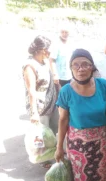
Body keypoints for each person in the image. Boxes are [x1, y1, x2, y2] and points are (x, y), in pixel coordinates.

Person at [54, 49, 106, 181]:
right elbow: (63, 120)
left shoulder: (103, 85)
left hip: (103, 144)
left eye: (85, 64)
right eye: (75, 65)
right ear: (70, 68)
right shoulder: (66, 91)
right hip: (78, 147)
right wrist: (59, 147)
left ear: (92, 67)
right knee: (82, 180)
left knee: (105, 178)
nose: (80, 69)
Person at [23, 35, 59, 168]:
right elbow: (31, 90)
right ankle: (44, 159)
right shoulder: (29, 66)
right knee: (42, 135)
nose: (50, 52)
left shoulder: (44, 62)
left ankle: (54, 153)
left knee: (54, 129)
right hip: (40, 107)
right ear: (41, 49)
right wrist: (34, 113)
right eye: (48, 49)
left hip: (52, 104)